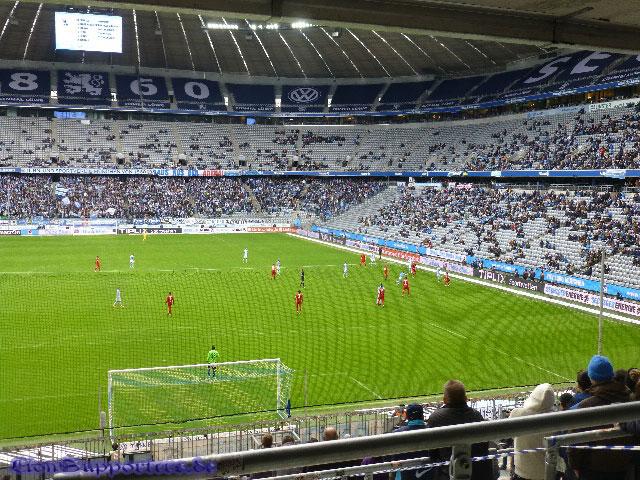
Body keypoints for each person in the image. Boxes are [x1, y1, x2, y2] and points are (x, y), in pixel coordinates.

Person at [568, 355, 632, 480]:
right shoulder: (629, 399)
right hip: (622, 465)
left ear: (591, 378)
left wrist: (575, 466)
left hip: (593, 469)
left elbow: (575, 440)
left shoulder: (587, 405)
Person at [427, 380, 492, 480]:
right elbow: (483, 447)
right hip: (479, 474)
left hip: (449, 474)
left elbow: (432, 455)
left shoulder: (435, 418)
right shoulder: (477, 416)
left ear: (444, 400)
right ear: (466, 398)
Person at [510, 383, 555, 480]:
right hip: (545, 473)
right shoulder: (557, 419)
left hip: (522, 472)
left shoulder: (517, 413)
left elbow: (511, 435)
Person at [388, 404, 433, 480]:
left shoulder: (397, 434)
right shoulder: (434, 432)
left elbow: (394, 464)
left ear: (407, 418)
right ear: (422, 417)